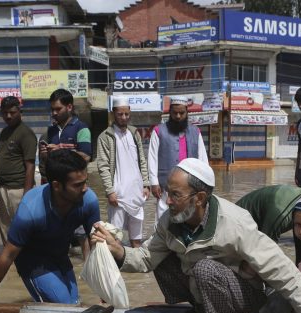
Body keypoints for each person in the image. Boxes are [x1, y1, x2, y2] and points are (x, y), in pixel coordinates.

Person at [91, 158, 301, 313]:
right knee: (165, 258)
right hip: (205, 287)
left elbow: (276, 264)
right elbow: (146, 258)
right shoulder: (170, 221)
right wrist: (117, 250)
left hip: (245, 294)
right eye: (168, 192)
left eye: (175, 195)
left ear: (200, 198)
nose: (167, 201)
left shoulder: (234, 222)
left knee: (205, 267)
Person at [0, 150, 99, 310]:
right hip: (33, 262)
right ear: (56, 185)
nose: (85, 189)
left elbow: (97, 245)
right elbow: (7, 255)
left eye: (85, 182)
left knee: (74, 304)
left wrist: (103, 293)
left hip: (60, 256)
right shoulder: (31, 210)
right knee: (65, 306)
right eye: (77, 185)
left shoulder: (89, 200)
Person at [95, 96, 150, 247]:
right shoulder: (105, 137)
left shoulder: (134, 133)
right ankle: (116, 268)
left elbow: (142, 161)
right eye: (120, 114)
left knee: (136, 236)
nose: (124, 117)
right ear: (113, 114)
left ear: (130, 113)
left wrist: (146, 184)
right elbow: (103, 166)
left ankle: (137, 266)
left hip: (136, 192)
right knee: (115, 235)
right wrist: (109, 191)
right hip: (118, 193)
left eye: (126, 114)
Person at [147, 96, 209, 220]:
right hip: (166, 183)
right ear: (170, 112)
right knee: (163, 213)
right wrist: (154, 183)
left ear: (187, 112)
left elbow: (203, 158)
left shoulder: (195, 131)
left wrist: (205, 181)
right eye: (175, 113)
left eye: (182, 113)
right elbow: (152, 158)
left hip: (190, 183)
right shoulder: (159, 131)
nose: (178, 116)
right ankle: (162, 238)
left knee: (190, 213)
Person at [0, 95, 38, 244]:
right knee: (5, 229)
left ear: (20, 112)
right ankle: (11, 264)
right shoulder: (4, 133)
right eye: (5, 112)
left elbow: (30, 165)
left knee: (23, 228)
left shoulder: (26, 133)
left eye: (12, 112)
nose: (8, 116)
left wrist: (27, 194)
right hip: (3, 188)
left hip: (19, 189)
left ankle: (26, 260)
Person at [40, 88, 92, 164]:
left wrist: (61, 151)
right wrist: (45, 154)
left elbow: (86, 157)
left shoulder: (81, 128)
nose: (54, 113)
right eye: (52, 109)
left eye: (58, 109)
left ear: (69, 107)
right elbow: (49, 161)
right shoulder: (51, 130)